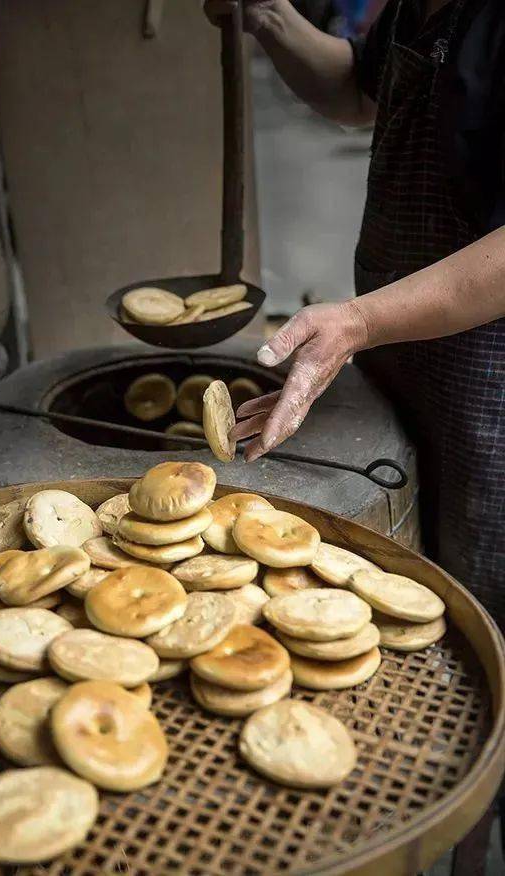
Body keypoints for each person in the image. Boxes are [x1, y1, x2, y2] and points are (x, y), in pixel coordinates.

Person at [204, 0, 505, 626]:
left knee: (479, 595)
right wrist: (271, 18)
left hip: (490, 377)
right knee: (407, 574)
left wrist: (362, 321)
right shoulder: (417, 7)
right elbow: (357, 91)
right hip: (404, 345)